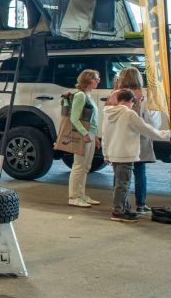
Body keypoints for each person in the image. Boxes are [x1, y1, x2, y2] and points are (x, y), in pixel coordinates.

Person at [102, 89, 170, 222]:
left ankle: (124, 209)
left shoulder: (108, 113)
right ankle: (118, 212)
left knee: (120, 184)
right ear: (130, 101)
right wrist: (167, 134)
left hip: (114, 153)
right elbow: (146, 129)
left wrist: (106, 154)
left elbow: (105, 135)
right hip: (125, 154)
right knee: (123, 185)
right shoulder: (129, 113)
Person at [112, 67, 156, 214]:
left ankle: (122, 205)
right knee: (140, 172)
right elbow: (149, 118)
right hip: (140, 137)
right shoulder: (142, 94)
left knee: (120, 175)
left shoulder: (116, 94)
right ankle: (141, 204)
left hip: (121, 137)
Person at [67, 69, 101, 208]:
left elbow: (93, 120)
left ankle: (81, 194)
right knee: (79, 165)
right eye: (96, 78)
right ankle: (73, 196)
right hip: (84, 135)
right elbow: (74, 118)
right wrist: (85, 134)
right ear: (88, 80)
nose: (98, 81)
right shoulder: (80, 95)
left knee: (86, 167)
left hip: (90, 135)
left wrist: (95, 137)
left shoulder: (88, 95)